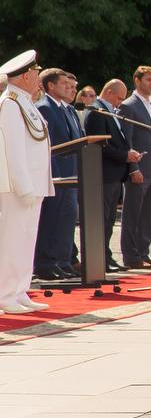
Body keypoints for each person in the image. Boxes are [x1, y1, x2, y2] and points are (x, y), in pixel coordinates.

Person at [0, 51, 53, 314]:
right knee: (12, 240)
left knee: (26, 239)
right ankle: (5, 294)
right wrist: (24, 186)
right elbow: (14, 150)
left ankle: (19, 290)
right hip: (17, 186)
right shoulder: (10, 103)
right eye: (35, 73)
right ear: (25, 76)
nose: (38, 78)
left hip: (33, 183)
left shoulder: (25, 101)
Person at [82, 79, 137, 273]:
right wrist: (125, 155)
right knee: (102, 219)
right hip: (103, 173)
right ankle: (100, 259)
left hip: (114, 174)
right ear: (110, 93)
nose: (120, 103)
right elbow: (100, 145)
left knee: (109, 219)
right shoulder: (96, 111)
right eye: (119, 98)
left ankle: (106, 256)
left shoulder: (107, 111)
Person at [33, 67, 82, 282]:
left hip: (71, 174)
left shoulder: (68, 110)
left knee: (67, 220)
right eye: (65, 84)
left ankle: (62, 261)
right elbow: (48, 146)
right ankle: (45, 263)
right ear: (50, 86)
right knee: (51, 220)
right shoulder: (44, 108)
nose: (70, 89)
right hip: (55, 175)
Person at [116, 65, 151, 268]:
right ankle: (131, 255)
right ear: (136, 81)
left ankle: (143, 251)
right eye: (148, 80)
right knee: (133, 211)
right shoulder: (129, 105)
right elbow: (128, 139)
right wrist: (133, 167)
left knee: (149, 211)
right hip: (138, 166)